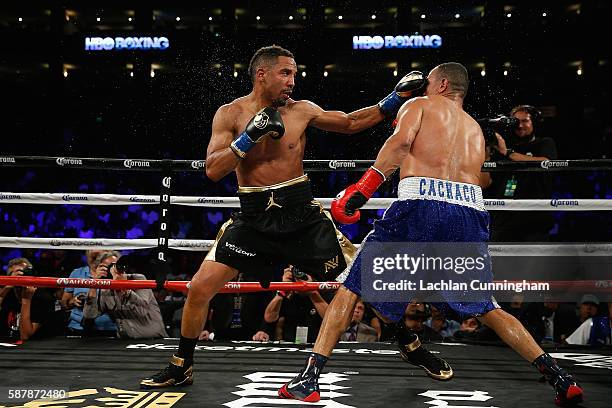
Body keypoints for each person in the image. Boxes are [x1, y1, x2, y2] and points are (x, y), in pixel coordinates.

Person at [279, 62, 583, 406]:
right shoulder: (474, 130)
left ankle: (309, 378)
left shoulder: (418, 106)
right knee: (486, 306)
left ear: (439, 84)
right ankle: (560, 377)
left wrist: (364, 188)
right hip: (469, 212)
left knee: (352, 287)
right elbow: (482, 180)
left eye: (428, 82)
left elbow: (399, 144)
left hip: (421, 205)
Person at [140, 44, 429, 388]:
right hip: (252, 218)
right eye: (285, 73)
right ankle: (181, 364)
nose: (293, 81)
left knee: (362, 280)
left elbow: (351, 122)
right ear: (261, 74)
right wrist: (248, 137)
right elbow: (213, 170)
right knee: (199, 287)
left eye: (295, 73)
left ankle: (409, 345)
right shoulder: (230, 114)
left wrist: (393, 99)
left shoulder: (302, 110)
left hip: (301, 216)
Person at [483, 105, 558, 242]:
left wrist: (508, 153)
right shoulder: (502, 147)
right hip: (504, 217)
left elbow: (546, 162)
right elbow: (486, 183)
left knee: (533, 262)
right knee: (498, 261)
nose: (520, 125)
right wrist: (486, 155)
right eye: (516, 122)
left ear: (534, 122)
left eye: (525, 121)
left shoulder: (544, 143)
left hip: (534, 218)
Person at [83, 252, 167, 339]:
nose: (113, 269)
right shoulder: (105, 290)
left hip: (153, 340)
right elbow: (89, 315)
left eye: (115, 265)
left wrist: (123, 288)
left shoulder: (138, 279)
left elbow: (142, 312)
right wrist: (94, 285)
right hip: (124, 341)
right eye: (108, 266)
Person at [61, 250, 117, 336]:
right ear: (86, 255)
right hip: (78, 327)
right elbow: (64, 304)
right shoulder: (77, 273)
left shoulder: (116, 275)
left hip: (108, 327)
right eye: (93, 257)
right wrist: (73, 301)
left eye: (98, 256)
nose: (95, 259)